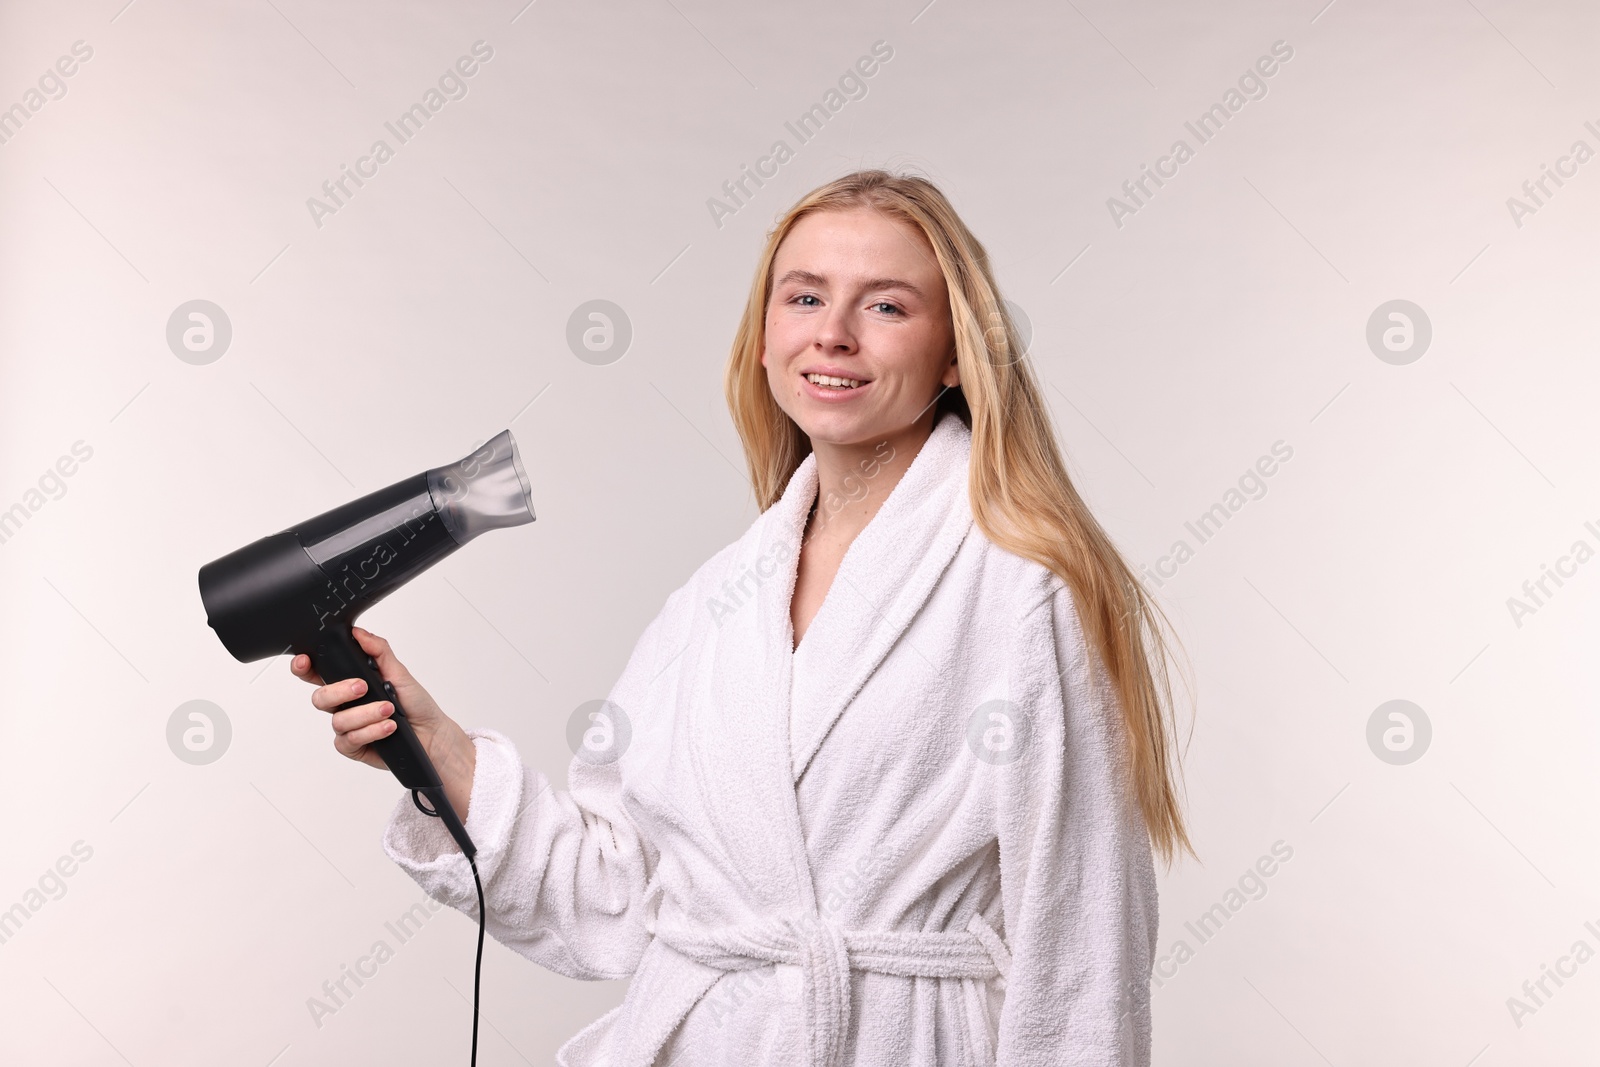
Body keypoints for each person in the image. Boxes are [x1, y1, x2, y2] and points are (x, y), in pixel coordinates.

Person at [292, 169, 1193, 1066]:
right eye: (803, 297)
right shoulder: (719, 602)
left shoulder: (1026, 586)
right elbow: (615, 897)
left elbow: (1085, 938)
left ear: (955, 353)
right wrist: (437, 746)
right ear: (765, 339)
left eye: (884, 306)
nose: (832, 335)